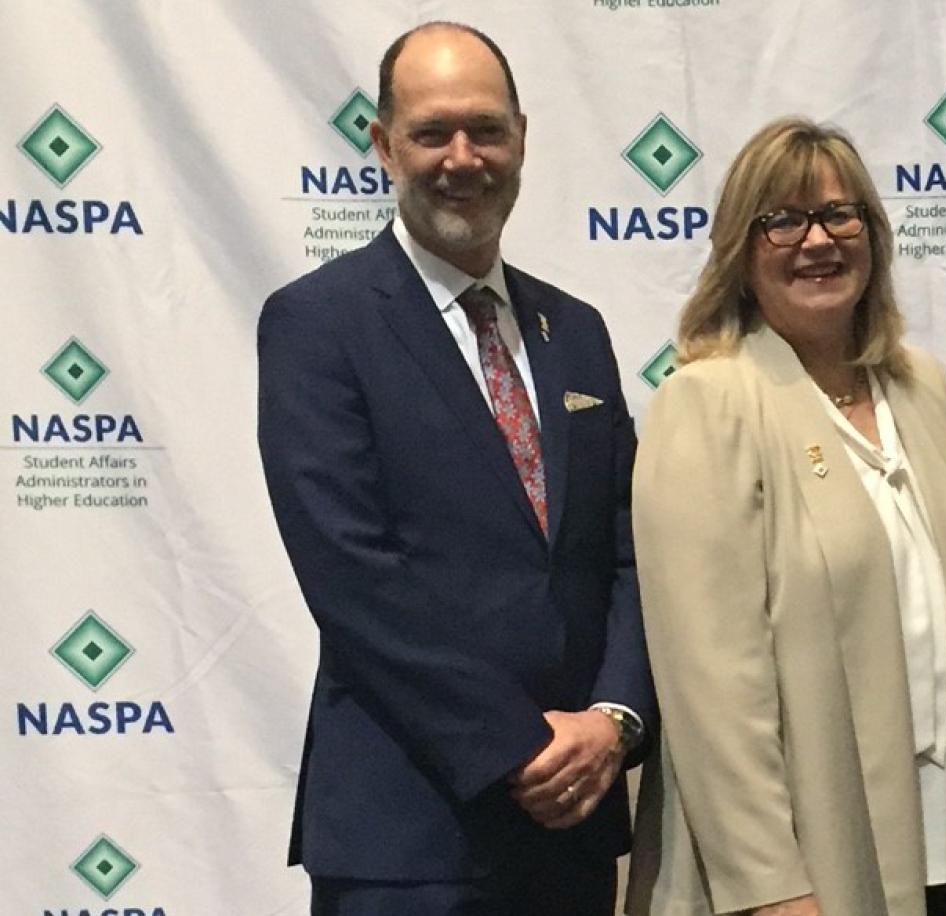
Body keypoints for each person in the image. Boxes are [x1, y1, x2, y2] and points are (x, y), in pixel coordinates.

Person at [257, 22, 655, 915]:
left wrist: (614, 723)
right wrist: (516, 746)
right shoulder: (317, 326)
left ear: (522, 136)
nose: (462, 158)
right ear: (383, 144)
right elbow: (352, 575)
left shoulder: (577, 331)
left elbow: (630, 551)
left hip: (575, 827)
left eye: (487, 129)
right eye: (433, 133)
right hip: (408, 839)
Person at [628, 117, 946, 916]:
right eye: (782, 219)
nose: (817, 240)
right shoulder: (707, 403)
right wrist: (772, 887)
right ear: (741, 251)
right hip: (802, 875)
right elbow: (711, 687)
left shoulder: (922, 388)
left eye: (841, 215)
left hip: (944, 846)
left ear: (874, 236)